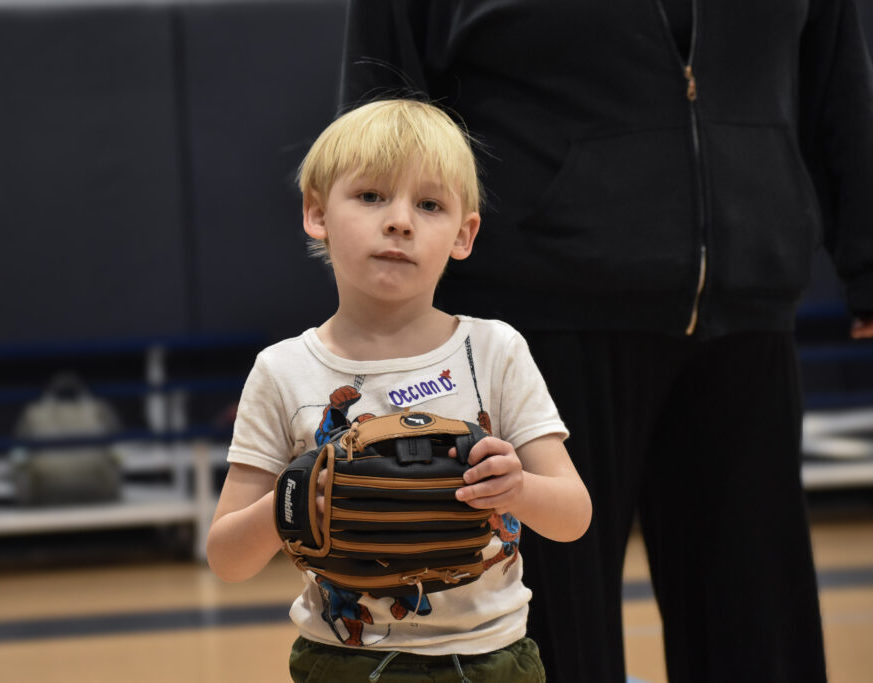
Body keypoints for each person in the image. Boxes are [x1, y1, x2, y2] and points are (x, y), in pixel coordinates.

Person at [339, 2, 873, 682]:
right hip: (538, 320)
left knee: (757, 628)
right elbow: (380, 106)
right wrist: (381, 294)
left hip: (745, 308)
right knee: (553, 639)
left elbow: (833, 58)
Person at [206, 98, 592, 682]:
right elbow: (227, 560)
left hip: (491, 660)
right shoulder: (282, 371)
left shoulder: (495, 351)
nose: (400, 220)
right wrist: (292, 498)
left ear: (463, 236)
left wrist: (519, 487)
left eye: (430, 204)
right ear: (317, 214)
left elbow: (574, 516)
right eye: (371, 196)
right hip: (340, 661)